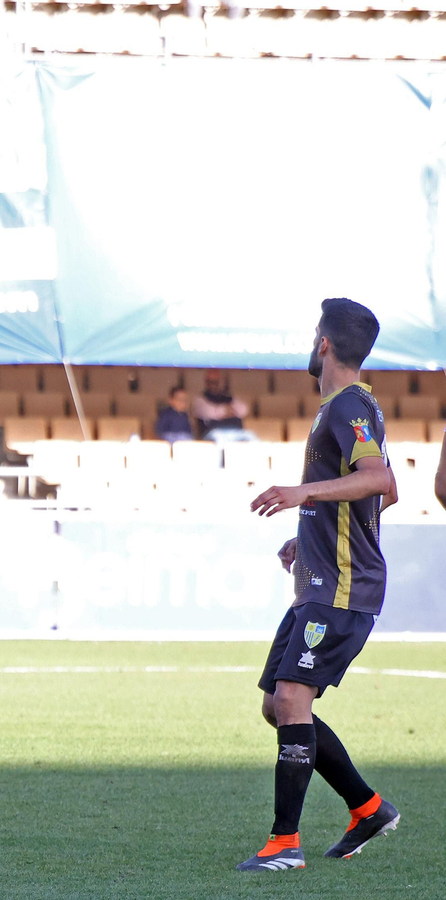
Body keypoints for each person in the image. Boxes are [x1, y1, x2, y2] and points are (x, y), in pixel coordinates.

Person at [237, 297, 400, 872]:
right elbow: (388, 491)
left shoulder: (348, 405)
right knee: (277, 706)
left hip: (342, 589)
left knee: (290, 699)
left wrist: (303, 495)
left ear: (324, 343)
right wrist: (310, 533)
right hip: (323, 583)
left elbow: (378, 479)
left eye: (314, 335)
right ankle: (369, 809)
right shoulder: (349, 406)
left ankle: (284, 843)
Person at [193, 370, 250, 438]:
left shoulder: (229, 397)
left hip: (236, 432)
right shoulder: (200, 400)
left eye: (216, 382)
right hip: (213, 433)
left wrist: (221, 412)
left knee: (251, 436)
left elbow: (244, 410)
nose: (213, 385)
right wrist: (228, 410)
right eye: (210, 382)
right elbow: (210, 413)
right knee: (218, 437)